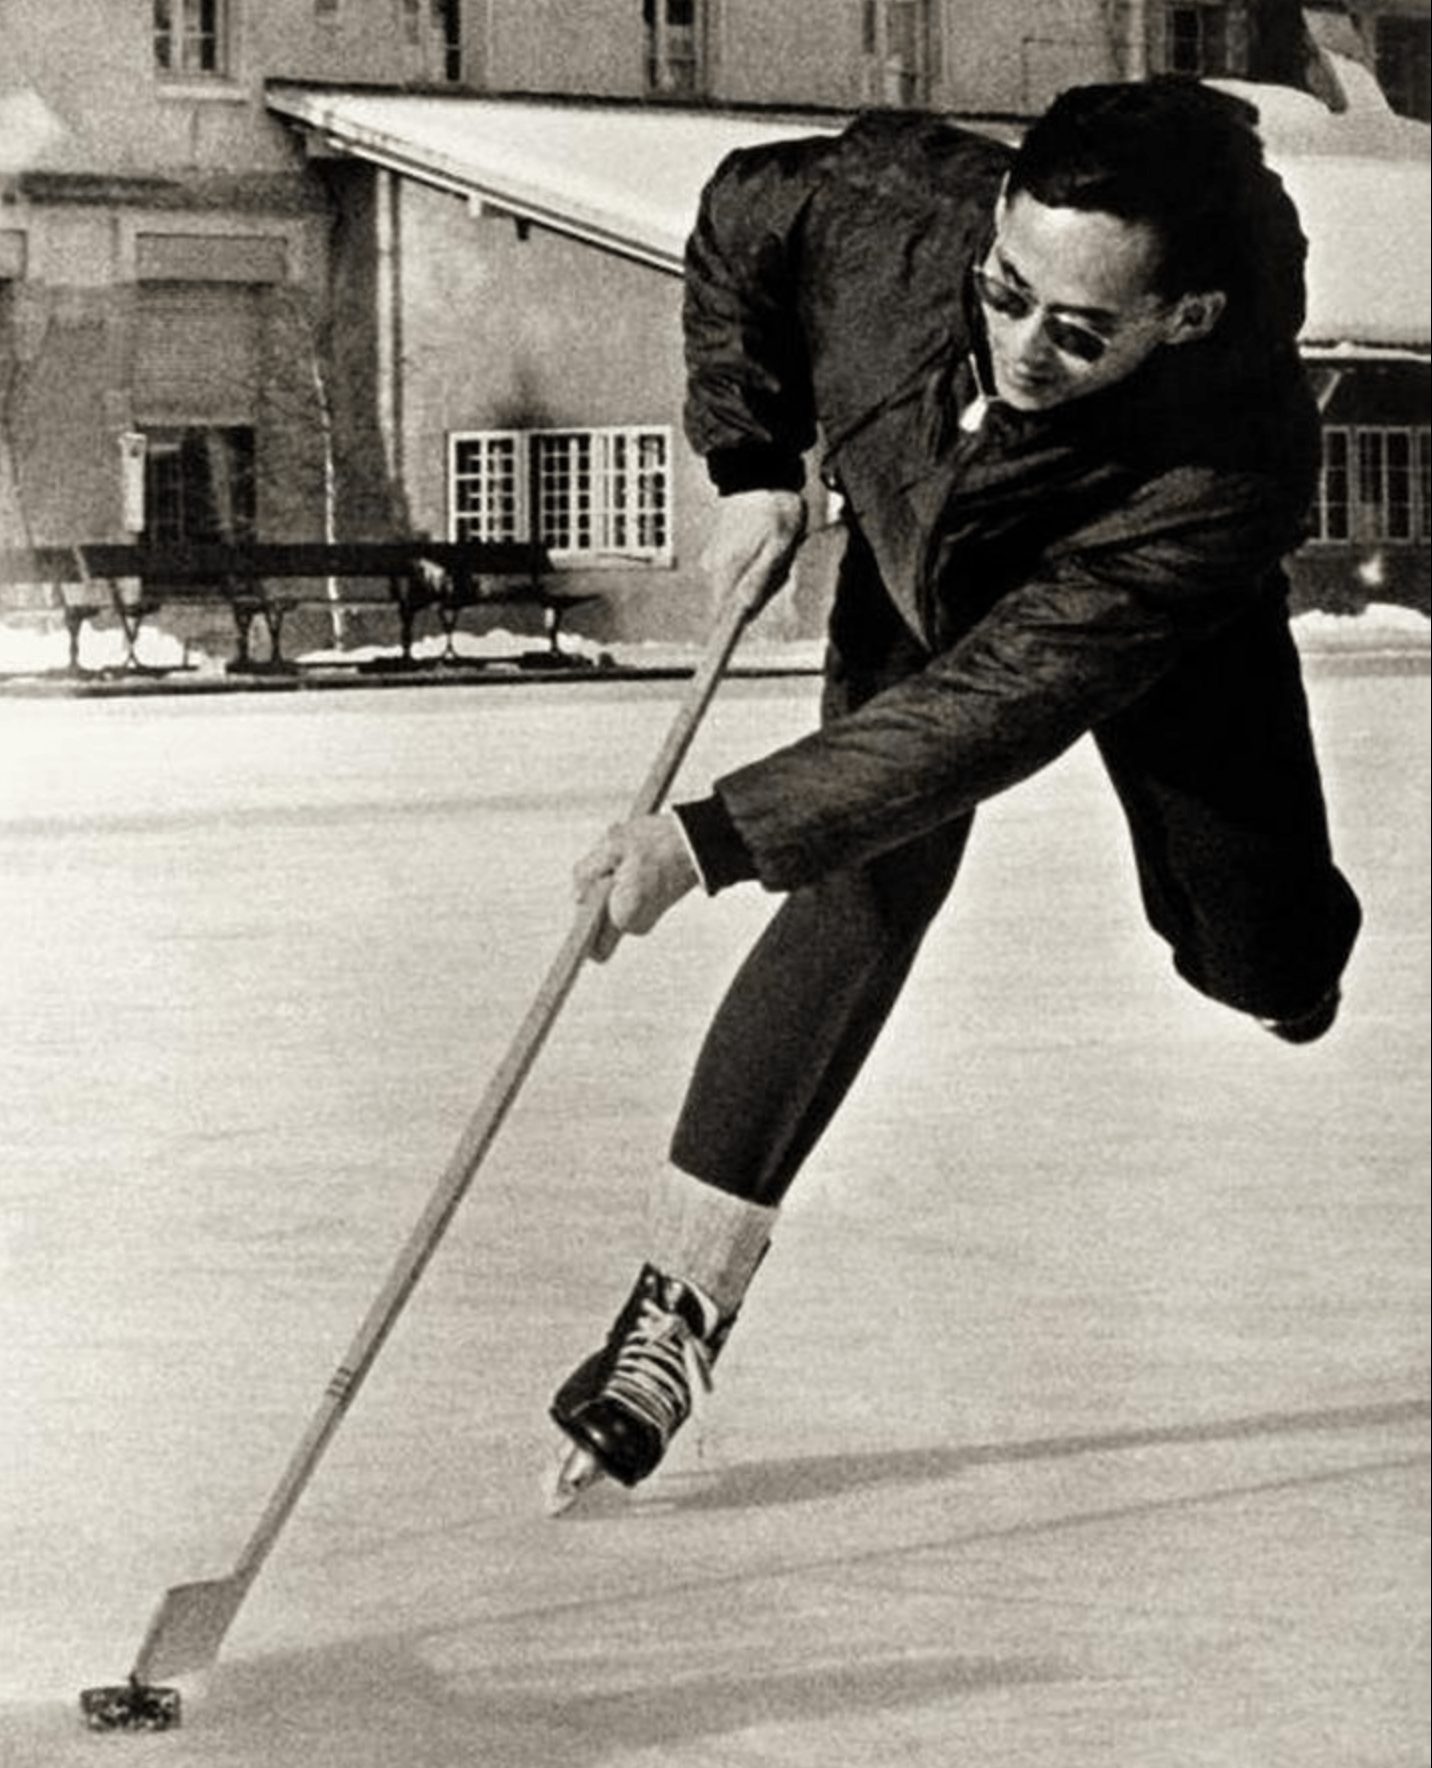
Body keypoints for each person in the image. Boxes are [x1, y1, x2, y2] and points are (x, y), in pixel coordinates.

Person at [546, 80, 1362, 1506]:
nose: (1024, 345)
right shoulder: (885, 210)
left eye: (1080, 329)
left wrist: (709, 839)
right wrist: (749, 456)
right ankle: (674, 1312)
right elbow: (745, 217)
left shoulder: (1231, 464)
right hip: (924, 553)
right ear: (989, 225)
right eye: (1007, 292)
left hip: (1148, 620)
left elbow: (991, 715)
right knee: (867, 874)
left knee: (1263, 959)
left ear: (1189, 318)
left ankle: (1281, 959)